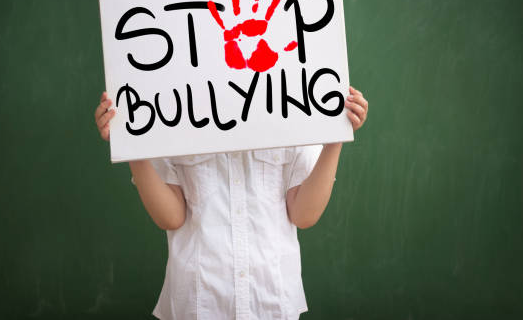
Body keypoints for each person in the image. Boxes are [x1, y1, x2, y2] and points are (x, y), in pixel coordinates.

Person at [94, 86, 369, 319]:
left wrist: (335, 140)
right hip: (198, 303)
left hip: (272, 301)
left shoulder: (293, 95)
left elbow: (303, 214)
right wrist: (131, 146)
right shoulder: (170, 98)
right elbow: (171, 217)